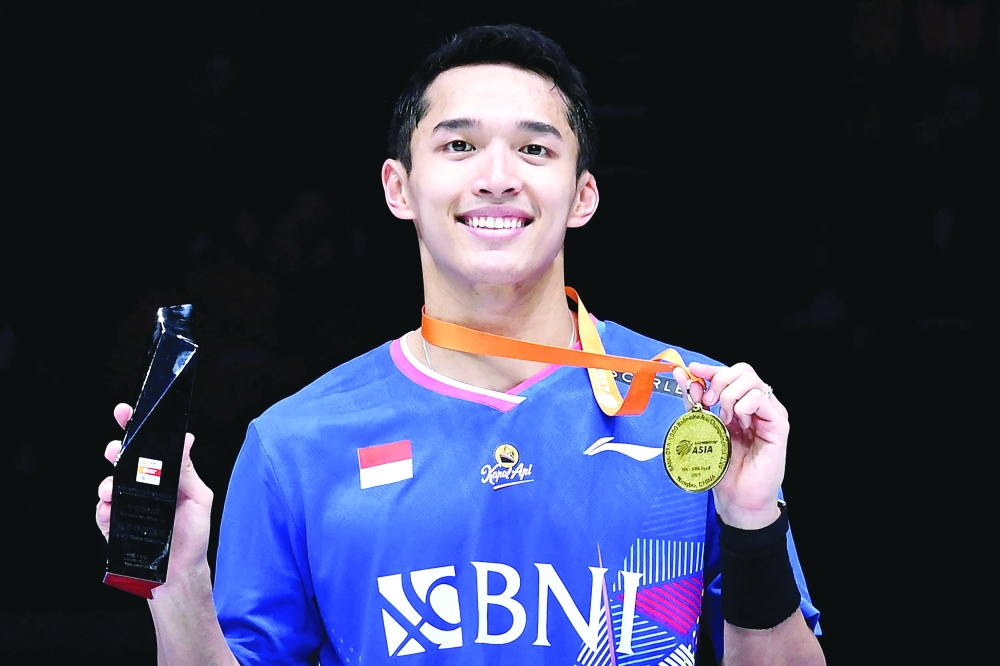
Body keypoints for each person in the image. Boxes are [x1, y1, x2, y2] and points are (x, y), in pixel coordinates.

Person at [97, 24, 824, 665]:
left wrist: (752, 522)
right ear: (400, 187)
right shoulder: (296, 443)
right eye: (460, 144)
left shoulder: (694, 413)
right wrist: (179, 582)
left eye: (535, 148)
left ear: (582, 196)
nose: (498, 178)